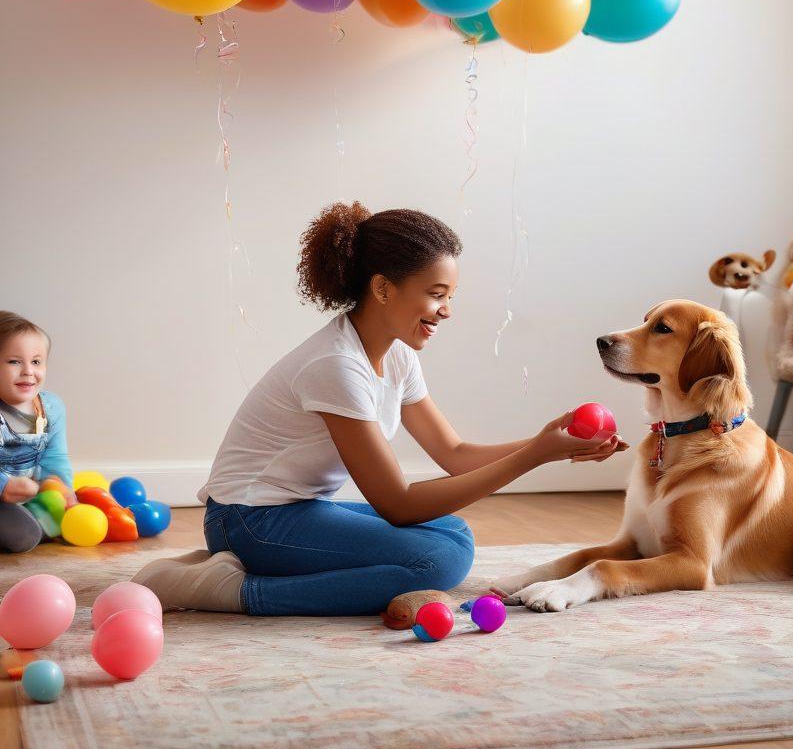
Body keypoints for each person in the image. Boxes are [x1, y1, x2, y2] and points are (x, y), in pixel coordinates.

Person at [134, 202, 626, 616]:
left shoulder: (397, 355)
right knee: (436, 562)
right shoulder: (336, 365)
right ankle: (236, 591)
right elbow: (397, 502)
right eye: (436, 295)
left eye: (449, 296)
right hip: (246, 520)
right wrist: (535, 455)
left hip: (294, 510)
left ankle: (261, 572)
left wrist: (550, 443)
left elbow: (453, 453)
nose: (447, 310)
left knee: (451, 533)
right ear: (384, 288)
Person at [0, 312, 75, 554]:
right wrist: (3, 486)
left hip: (25, 496)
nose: (28, 371)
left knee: (59, 521)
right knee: (25, 535)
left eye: (36, 361)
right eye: (14, 361)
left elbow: (55, 457)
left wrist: (65, 492)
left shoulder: (51, 407)